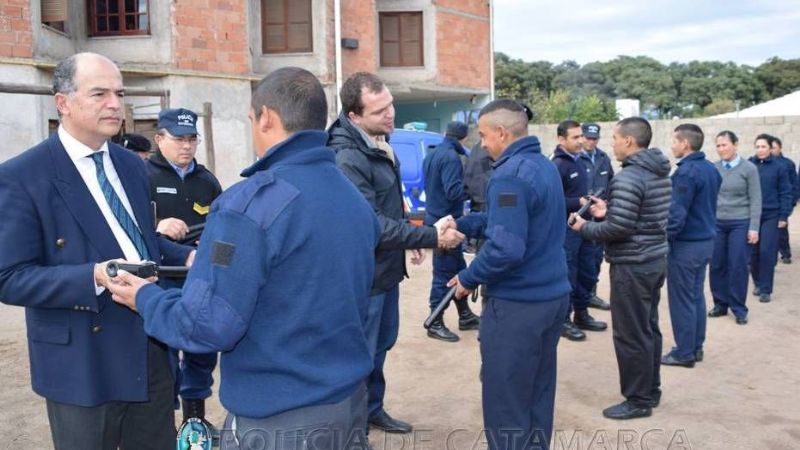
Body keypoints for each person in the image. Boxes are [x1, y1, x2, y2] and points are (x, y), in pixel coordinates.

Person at [107, 67, 380, 450]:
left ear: (266, 117)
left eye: (251, 119)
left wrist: (145, 298)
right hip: (346, 404)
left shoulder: (250, 204)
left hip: (279, 418)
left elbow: (207, 326)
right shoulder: (351, 198)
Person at [0, 52, 194, 450]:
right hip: (83, 364)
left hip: (148, 348)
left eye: (119, 94)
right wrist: (92, 275)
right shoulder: (22, 176)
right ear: (63, 102)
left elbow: (138, 241)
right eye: (100, 93)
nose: (115, 104)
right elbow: (10, 277)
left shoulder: (131, 165)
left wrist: (183, 257)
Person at [327, 72, 464, 434]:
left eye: (391, 105)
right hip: (363, 278)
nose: (390, 115)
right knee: (359, 356)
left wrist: (409, 242)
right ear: (354, 116)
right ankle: (352, 432)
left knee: (380, 348)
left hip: (386, 268)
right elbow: (368, 224)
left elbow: (389, 202)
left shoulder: (377, 140)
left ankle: (373, 410)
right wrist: (428, 237)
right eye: (379, 111)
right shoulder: (346, 157)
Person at [448, 100, 570, 450]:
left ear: (502, 132)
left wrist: (468, 278)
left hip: (519, 306)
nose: (482, 143)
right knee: (537, 392)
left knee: (506, 400)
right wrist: (462, 223)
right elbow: (507, 223)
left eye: (485, 135)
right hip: (550, 299)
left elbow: (506, 248)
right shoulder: (542, 166)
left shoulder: (509, 175)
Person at [570, 117, 671, 420]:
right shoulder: (658, 171)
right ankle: (650, 390)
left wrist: (584, 225)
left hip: (633, 264)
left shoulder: (629, 177)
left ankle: (638, 399)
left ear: (629, 141)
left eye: (614, 137)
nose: (610, 143)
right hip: (652, 260)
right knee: (648, 328)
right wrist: (607, 211)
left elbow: (619, 229)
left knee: (630, 334)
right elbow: (638, 217)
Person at [147, 108, 223, 430]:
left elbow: (222, 228)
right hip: (160, 280)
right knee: (162, 355)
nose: (187, 146)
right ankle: (160, 425)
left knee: (201, 350)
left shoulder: (206, 180)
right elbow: (128, 233)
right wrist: (157, 227)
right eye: (179, 139)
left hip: (200, 280)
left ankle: (194, 424)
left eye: (192, 139)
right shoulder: (142, 178)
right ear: (159, 139)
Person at [662, 124, 721, 368]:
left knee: (682, 298)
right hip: (705, 241)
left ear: (685, 144)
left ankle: (684, 352)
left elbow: (677, 215)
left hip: (687, 245)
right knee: (695, 295)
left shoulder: (687, 172)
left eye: (675, 141)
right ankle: (695, 347)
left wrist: (665, 239)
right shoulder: (710, 168)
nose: (672, 145)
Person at [421, 120, 480, 342]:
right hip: (446, 224)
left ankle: (464, 315)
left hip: (435, 218)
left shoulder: (432, 154)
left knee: (457, 269)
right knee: (443, 274)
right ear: (463, 138)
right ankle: (434, 322)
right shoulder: (451, 157)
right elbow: (454, 191)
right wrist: (474, 190)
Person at [551, 120, 607, 342]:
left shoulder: (580, 161)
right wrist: (578, 201)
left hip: (585, 227)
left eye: (581, 136)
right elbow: (553, 201)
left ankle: (582, 314)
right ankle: (565, 319)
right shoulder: (558, 165)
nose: (581, 141)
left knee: (587, 272)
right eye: (575, 137)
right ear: (561, 139)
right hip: (567, 231)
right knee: (568, 274)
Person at [708, 131, 761, 325]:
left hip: (741, 222)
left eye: (725, 145)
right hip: (717, 224)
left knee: (737, 265)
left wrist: (754, 227)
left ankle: (739, 308)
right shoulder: (713, 168)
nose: (721, 149)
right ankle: (720, 304)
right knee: (717, 265)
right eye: (718, 146)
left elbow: (756, 199)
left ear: (735, 145)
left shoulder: (749, 168)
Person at [749, 134, 793, 303]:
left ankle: (766, 289)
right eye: (758, 146)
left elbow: (785, 192)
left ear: (770, 148)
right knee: (753, 251)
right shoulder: (749, 165)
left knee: (767, 251)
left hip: (771, 215)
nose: (760, 150)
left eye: (764, 147)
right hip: (752, 214)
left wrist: (784, 215)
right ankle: (758, 283)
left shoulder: (779, 167)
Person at [581, 123, 613, 311]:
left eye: (594, 138)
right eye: (588, 138)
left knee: (595, 258)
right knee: (580, 261)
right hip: (580, 216)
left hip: (600, 217)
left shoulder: (603, 158)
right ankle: (580, 298)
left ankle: (591, 294)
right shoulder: (575, 158)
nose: (591, 142)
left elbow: (611, 183)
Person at [770, 136, 797, 264]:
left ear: (780, 148)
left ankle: (785, 253)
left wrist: (791, 202)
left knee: (782, 230)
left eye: (773, 148)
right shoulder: (758, 163)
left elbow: (795, 185)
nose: (771, 150)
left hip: (783, 203)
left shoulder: (787, 164)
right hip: (769, 203)